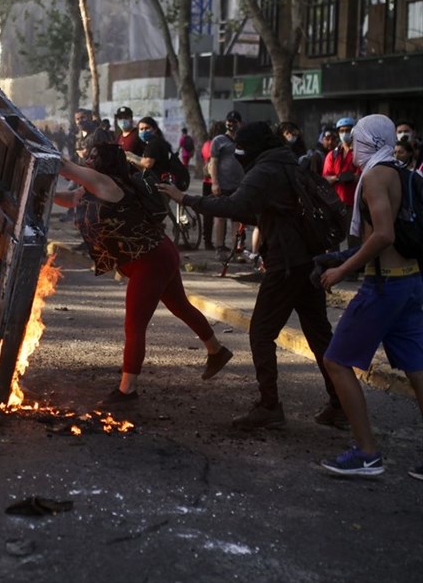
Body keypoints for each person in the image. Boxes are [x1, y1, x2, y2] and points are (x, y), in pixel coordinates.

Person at [159, 122, 344, 430]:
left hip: (286, 263)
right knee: (319, 334)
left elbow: (236, 204)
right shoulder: (286, 162)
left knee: (261, 333)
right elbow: (260, 210)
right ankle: (339, 404)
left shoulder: (264, 170)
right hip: (308, 261)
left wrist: (185, 198)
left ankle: (269, 405)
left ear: (250, 149)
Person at [54, 141, 233, 409]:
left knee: (134, 325)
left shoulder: (104, 182)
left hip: (150, 261)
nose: (88, 159)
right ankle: (216, 351)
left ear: (103, 162)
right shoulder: (99, 185)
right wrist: (42, 193)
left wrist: (33, 148)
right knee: (181, 306)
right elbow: (69, 199)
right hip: (159, 253)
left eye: (93, 156)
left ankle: (128, 390)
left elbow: (65, 167)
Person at [317, 114, 423, 478]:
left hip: (384, 286)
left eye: (358, 137)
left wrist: (342, 270)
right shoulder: (401, 171)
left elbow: (383, 235)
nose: (353, 143)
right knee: (417, 368)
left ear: (371, 141)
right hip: (409, 282)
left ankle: (367, 452)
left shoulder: (376, 175)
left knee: (336, 361)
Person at [208, 110, 246, 259]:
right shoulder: (218, 140)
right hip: (222, 185)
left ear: (239, 123)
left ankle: (237, 249)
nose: (231, 124)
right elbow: (214, 163)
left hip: (239, 185)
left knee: (237, 219)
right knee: (220, 217)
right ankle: (220, 248)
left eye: (234, 121)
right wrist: (214, 182)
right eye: (229, 121)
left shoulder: (243, 140)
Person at [322, 117, 360, 250]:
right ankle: (334, 265)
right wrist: (339, 178)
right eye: (342, 131)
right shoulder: (332, 155)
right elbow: (325, 178)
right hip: (335, 204)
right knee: (334, 239)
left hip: (353, 204)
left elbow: (361, 175)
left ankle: (355, 269)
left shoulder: (359, 153)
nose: (345, 133)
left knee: (354, 239)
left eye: (348, 130)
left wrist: (350, 177)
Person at [199, 121, 226, 250]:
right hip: (216, 181)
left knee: (207, 214)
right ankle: (219, 243)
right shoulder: (218, 145)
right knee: (220, 214)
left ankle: (207, 241)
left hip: (206, 182)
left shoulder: (206, 144)